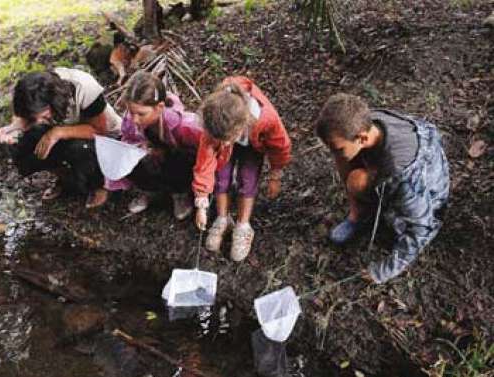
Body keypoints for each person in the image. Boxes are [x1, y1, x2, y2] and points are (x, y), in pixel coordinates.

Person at [314, 93, 450, 283]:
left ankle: (367, 210)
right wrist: (341, 153)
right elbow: (343, 150)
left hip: (426, 194)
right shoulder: (366, 122)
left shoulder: (403, 174)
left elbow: (422, 227)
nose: (332, 154)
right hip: (387, 170)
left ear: (361, 138)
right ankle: (357, 215)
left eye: (337, 148)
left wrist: (384, 271)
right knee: (345, 160)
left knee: (357, 181)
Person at [193, 76, 292, 262]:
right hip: (232, 133)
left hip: (254, 143)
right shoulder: (214, 119)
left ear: (242, 125)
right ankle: (223, 218)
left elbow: (281, 147)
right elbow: (204, 162)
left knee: (248, 178)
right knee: (221, 176)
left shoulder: (266, 119)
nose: (222, 143)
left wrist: (275, 174)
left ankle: (243, 225)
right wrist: (201, 202)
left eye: (225, 140)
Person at [0, 68, 122, 208]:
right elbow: (25, 118)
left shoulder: (84, 87)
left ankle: (99, 185)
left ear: (54, 101)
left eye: (42, 116)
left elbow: (99, 131)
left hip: (106, 138)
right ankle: (67, 179)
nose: (37, 121)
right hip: (63, 130)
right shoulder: (34, 96)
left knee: (79, 148)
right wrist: (14, 129)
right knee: (23, 143)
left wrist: (57, 133)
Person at [105, 71, 202, 220]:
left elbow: (205, 150)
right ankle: (149, 190)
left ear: (159, 107)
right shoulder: (131, 121)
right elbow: (128, 139)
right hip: (151, 159)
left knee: (182, 158)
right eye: (131, 112)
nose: (135, 119)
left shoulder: (184, 125)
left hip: (178, 164)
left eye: (141, 114)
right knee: (127, 153)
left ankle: (180, 193)